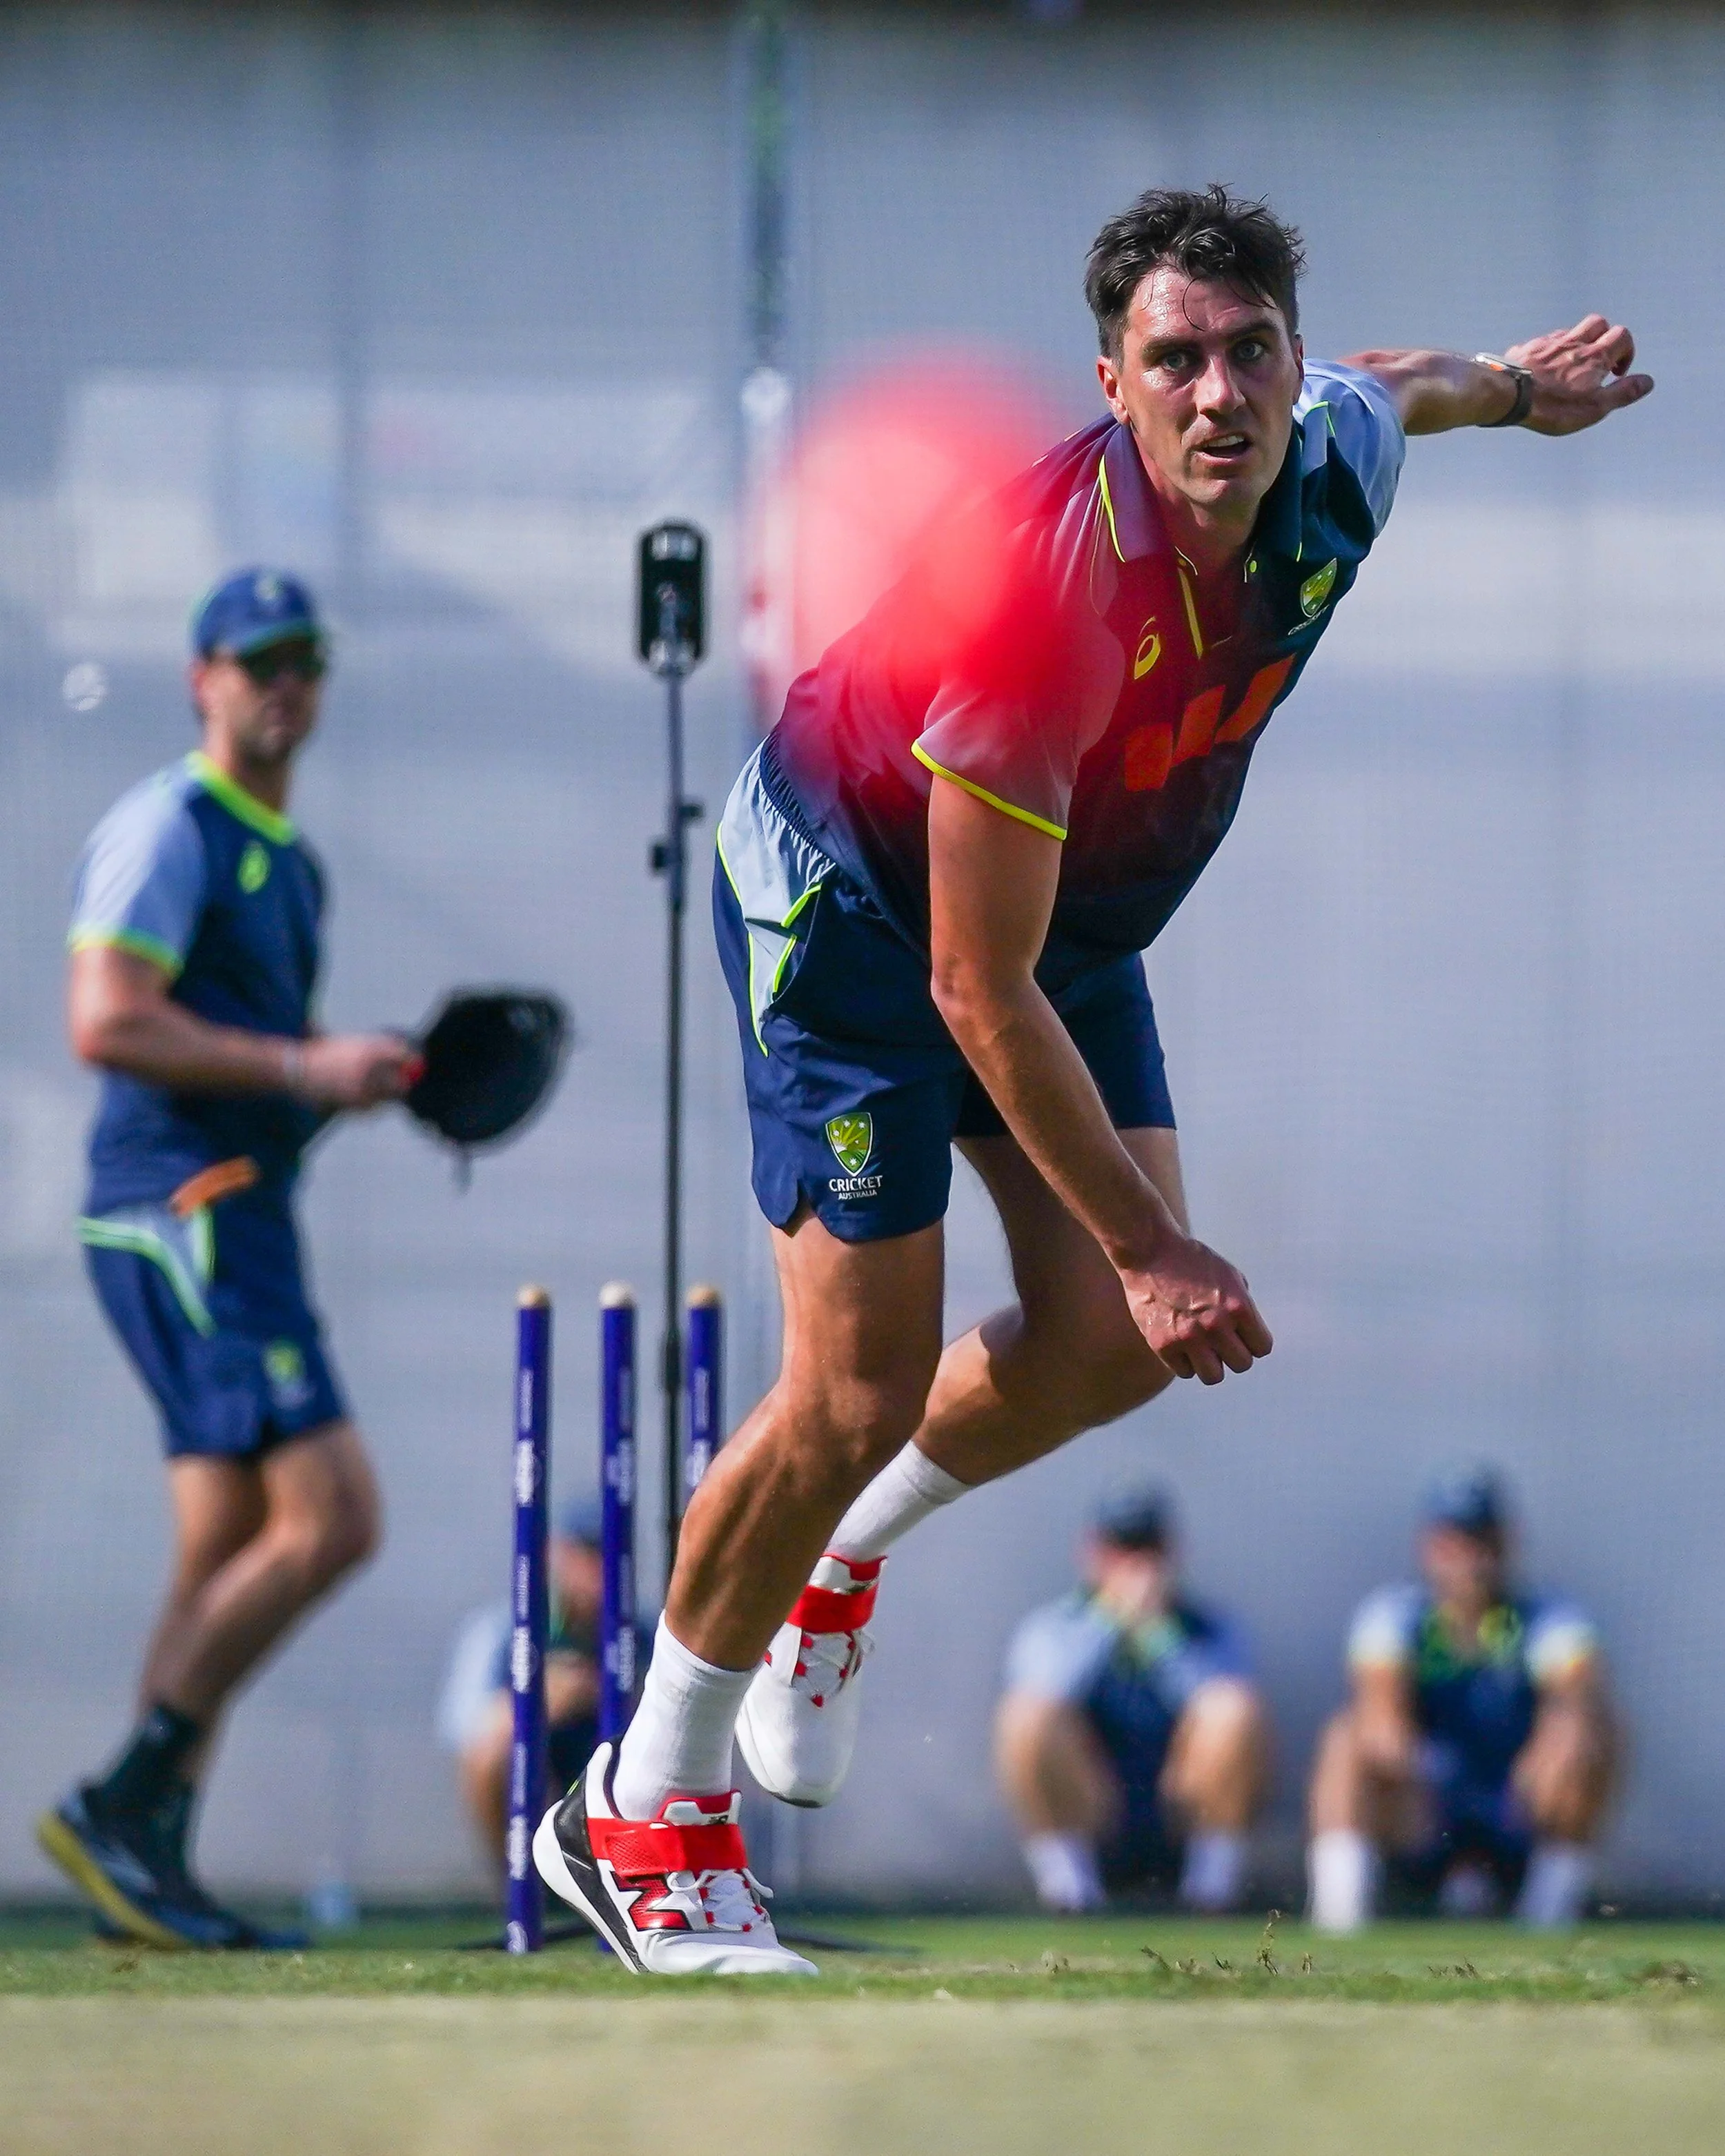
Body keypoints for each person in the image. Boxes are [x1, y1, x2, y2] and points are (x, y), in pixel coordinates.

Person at [533, 184, 1652, 1975]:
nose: (1219, 394)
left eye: (1248, 352)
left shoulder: (1336, 452)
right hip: (850, 896)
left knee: (1105, 1346)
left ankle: (838, 1559)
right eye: (1173, 360)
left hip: (1059, 909)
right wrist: (1151, 1239)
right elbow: (969, 986)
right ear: (1110, 387)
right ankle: (636, 1810)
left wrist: (1516, 387)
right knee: (854, 1379)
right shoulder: (1037, 603)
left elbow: (1396, 381)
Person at [37, 568, 422, 1949]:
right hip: (180, 1203)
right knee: (334, 1518)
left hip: (236, 1201)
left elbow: (265, 1064)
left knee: (220, 1551)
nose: (284, 682)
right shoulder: (168, 823)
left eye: (304, 659)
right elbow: (109, 1019)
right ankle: (118, 1801)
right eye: (257, 659)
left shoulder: (290, 858)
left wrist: (350, 1083)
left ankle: (144, 1867)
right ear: (199, 675)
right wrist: (302, 1063)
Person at [1306, 1469, 1615, 1931]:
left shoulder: (1544, 1617)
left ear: (1505, 1543)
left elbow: (1576, 1686)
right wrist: (1416, 1776)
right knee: (1346, 1737)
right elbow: (1380, 1711)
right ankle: (1340, 1915)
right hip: (1427, 1809)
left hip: (1516, 1807)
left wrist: (1560, 1737)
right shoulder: (1397, 1615)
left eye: (1481, 1540)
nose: (1469, 1558)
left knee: (1591, 1728)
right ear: (1429, 1545)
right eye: (1455, 1541)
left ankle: (1547, 1915)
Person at [996, 1489, 1265, 1915]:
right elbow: (1051, 1698)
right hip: (1095, 1807)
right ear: (1093, 1551)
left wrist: (1158, 1635)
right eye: (1121, 1547)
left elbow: (1219, 1707)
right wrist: (1110, 1620)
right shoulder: (1052, 1626)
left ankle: (1211, 1892)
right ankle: (1071, 1892)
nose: (1136, 1564)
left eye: (1147, 1548)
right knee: (1026, 1713)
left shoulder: (1209, 1627)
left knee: (1234, 1708)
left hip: (1177, 1807)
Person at [439, 1495, 632, 1872]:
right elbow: (465, 1731)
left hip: (615, 1786)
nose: (599, 1569)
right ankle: (522, 1888)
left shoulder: (642, 1633)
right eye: (589, 1553)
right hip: (540, 1781)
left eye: (611, 1555)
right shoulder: (501, 1632)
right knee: (493, 1757)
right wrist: (540, 1702)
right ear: (558, 1554)